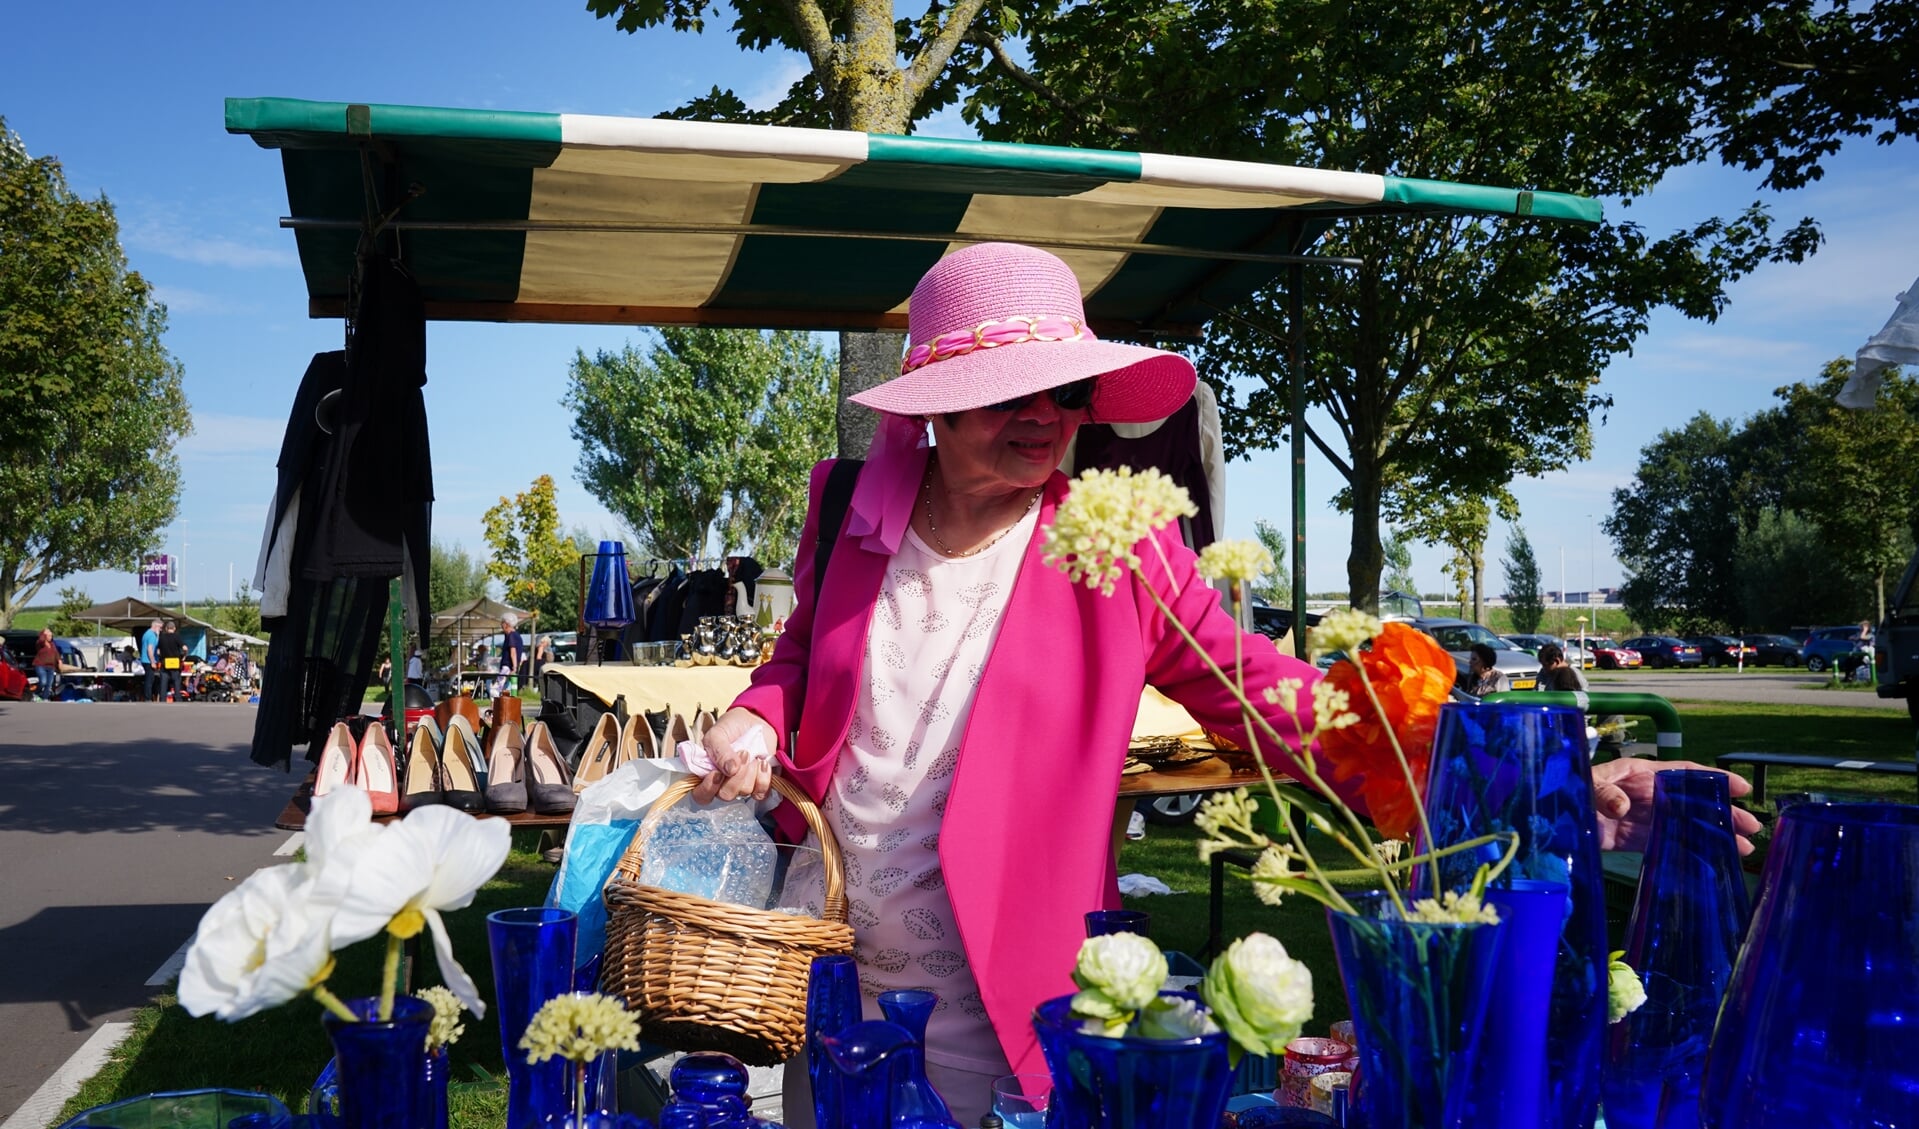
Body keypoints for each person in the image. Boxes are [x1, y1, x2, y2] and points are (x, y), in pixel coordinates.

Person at [692, 243, 1759, 1125]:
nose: (1044, 416)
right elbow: (800, 656)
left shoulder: (1120, 537)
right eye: (1007, 393)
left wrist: (1541, 779)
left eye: (1066, 391)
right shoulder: (844, 503)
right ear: (933, 400)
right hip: (827, 950)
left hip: (1002, 979)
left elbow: (1278, 702)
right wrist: (754, 710)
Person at [155, 619, 185, 702]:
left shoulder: (162, 638)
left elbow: (158, 651)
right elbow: (184, 648)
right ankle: (178, 699)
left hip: (165, 662)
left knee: (163, 682)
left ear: (166, 628)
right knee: (176, 682)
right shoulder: (177, 636)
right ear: (174, 628)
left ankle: (162, 699)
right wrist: (184, 656)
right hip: (175, 663)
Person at [496, 614, 525, 698]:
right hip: (509, 666)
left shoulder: (511, 636)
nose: (501, 625)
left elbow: (513, 652)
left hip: (507, 667)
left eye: (502, 623)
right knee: (505, 690)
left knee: (498, 688)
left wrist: (514, 667)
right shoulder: (515, 635)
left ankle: (494, 706)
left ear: (506, 624)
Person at [32, 627, 59, 700]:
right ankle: (35, 693)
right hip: (41, 665)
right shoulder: (40, 643)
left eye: (51, 636)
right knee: (43, 682)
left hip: (51, 667)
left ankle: (45, 697)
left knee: (49, 684)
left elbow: (56, 653)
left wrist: (59, 661)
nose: (51, 637)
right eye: (49, 635)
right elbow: (41, 639)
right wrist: (44, 633)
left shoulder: (52, 644)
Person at [140, 618, 162, 701]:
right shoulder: (152, 635)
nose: (161, 629)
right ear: (156, 626)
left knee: (150, 680)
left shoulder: (147, 633)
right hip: (149, 661)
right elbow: (150, 649)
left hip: (145, 660)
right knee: (149, 681)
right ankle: (147, 698)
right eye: (160, 627)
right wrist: (153, 661)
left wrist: (158, 635)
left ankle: (148, 697)